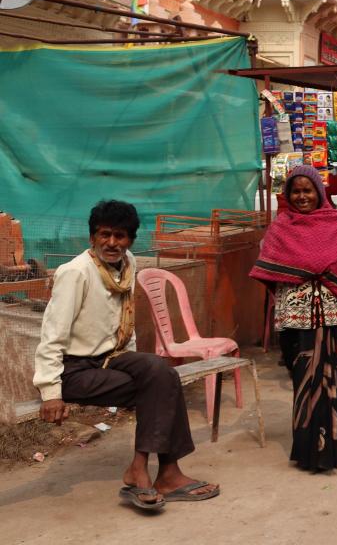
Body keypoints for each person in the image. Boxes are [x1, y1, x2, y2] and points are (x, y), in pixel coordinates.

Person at [34, 200, 218, 509]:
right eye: (104, 235)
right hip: (74, 370)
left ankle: (154, 471)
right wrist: (51, 392)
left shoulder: (128, 262)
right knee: (161, 386)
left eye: (120, 236)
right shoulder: (75, 273)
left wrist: (136, 365)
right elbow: (52, 336)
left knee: (160, 372)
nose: (111, 243)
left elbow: (125, 320)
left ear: (130, 240)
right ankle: (155, 472)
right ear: (92, 237)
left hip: (111, 357)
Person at [251, 166, 337, 470]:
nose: (301, 197)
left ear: (319, 193)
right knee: (306, 382)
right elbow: (269, 267)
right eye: (296, 191)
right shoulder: (280, 227)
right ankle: (313, 448)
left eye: (307, 190)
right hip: (298, 319)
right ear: (287, 195)